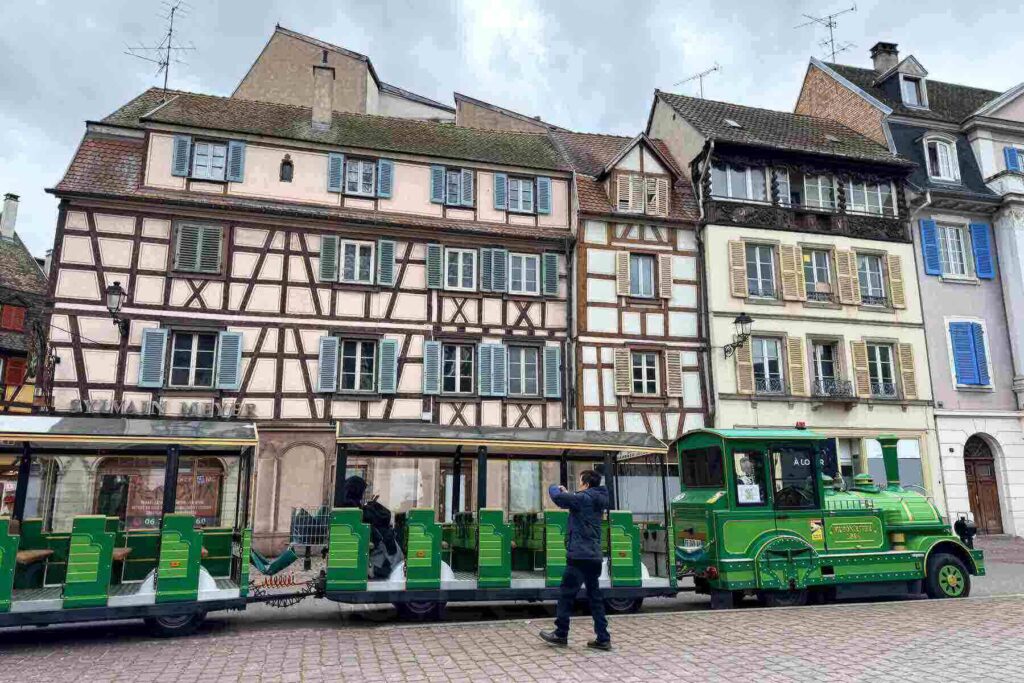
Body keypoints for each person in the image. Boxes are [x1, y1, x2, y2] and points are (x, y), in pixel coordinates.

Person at [538, 469, 611, 650]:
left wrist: (556, 488)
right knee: (595, 598)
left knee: (566, 594)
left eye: (580, 482)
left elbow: (559, 499)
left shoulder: (582, 499)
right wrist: (570, 493)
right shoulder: (597, 499)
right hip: (593, 556)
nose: (579, 486)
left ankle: (561, 633)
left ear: (586, 484)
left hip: (579, 556)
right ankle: (603, 638)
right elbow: (575, 499)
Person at [339, 476, 404, 579]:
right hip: (368, 541)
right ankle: (385, 570)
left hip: (368, 539)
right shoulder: (352, 507)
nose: (363, 495)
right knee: (388, 541)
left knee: (386, 538)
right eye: (362, 492)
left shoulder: (347, 504)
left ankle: (382, 568)